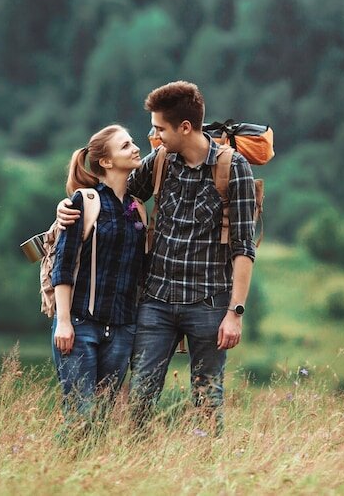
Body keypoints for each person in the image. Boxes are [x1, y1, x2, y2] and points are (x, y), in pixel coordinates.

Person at [57, 81, 256, 434]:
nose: (153, 135)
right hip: (156, 302)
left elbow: (244, 246)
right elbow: (113, 199)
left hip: (209, 303)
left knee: (208, 398)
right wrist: (69, 205)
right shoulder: (161, 161)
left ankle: (207, 471)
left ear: (184, 127)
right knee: (140, 397)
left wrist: (235, 313)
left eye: (160, 128)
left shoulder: (233, 168)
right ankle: (138, 466)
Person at [50, 124, 146, 430]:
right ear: (105, 162)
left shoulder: (137, 210)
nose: (135, 148)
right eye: (125, 145)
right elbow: (63, 266)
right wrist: (63, 321)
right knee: (79, 415)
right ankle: (66, 472)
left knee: (103, 418)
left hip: (121, 329)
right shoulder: (85, 201)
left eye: (133, 143)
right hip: (80, 324)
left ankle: (94, 472)